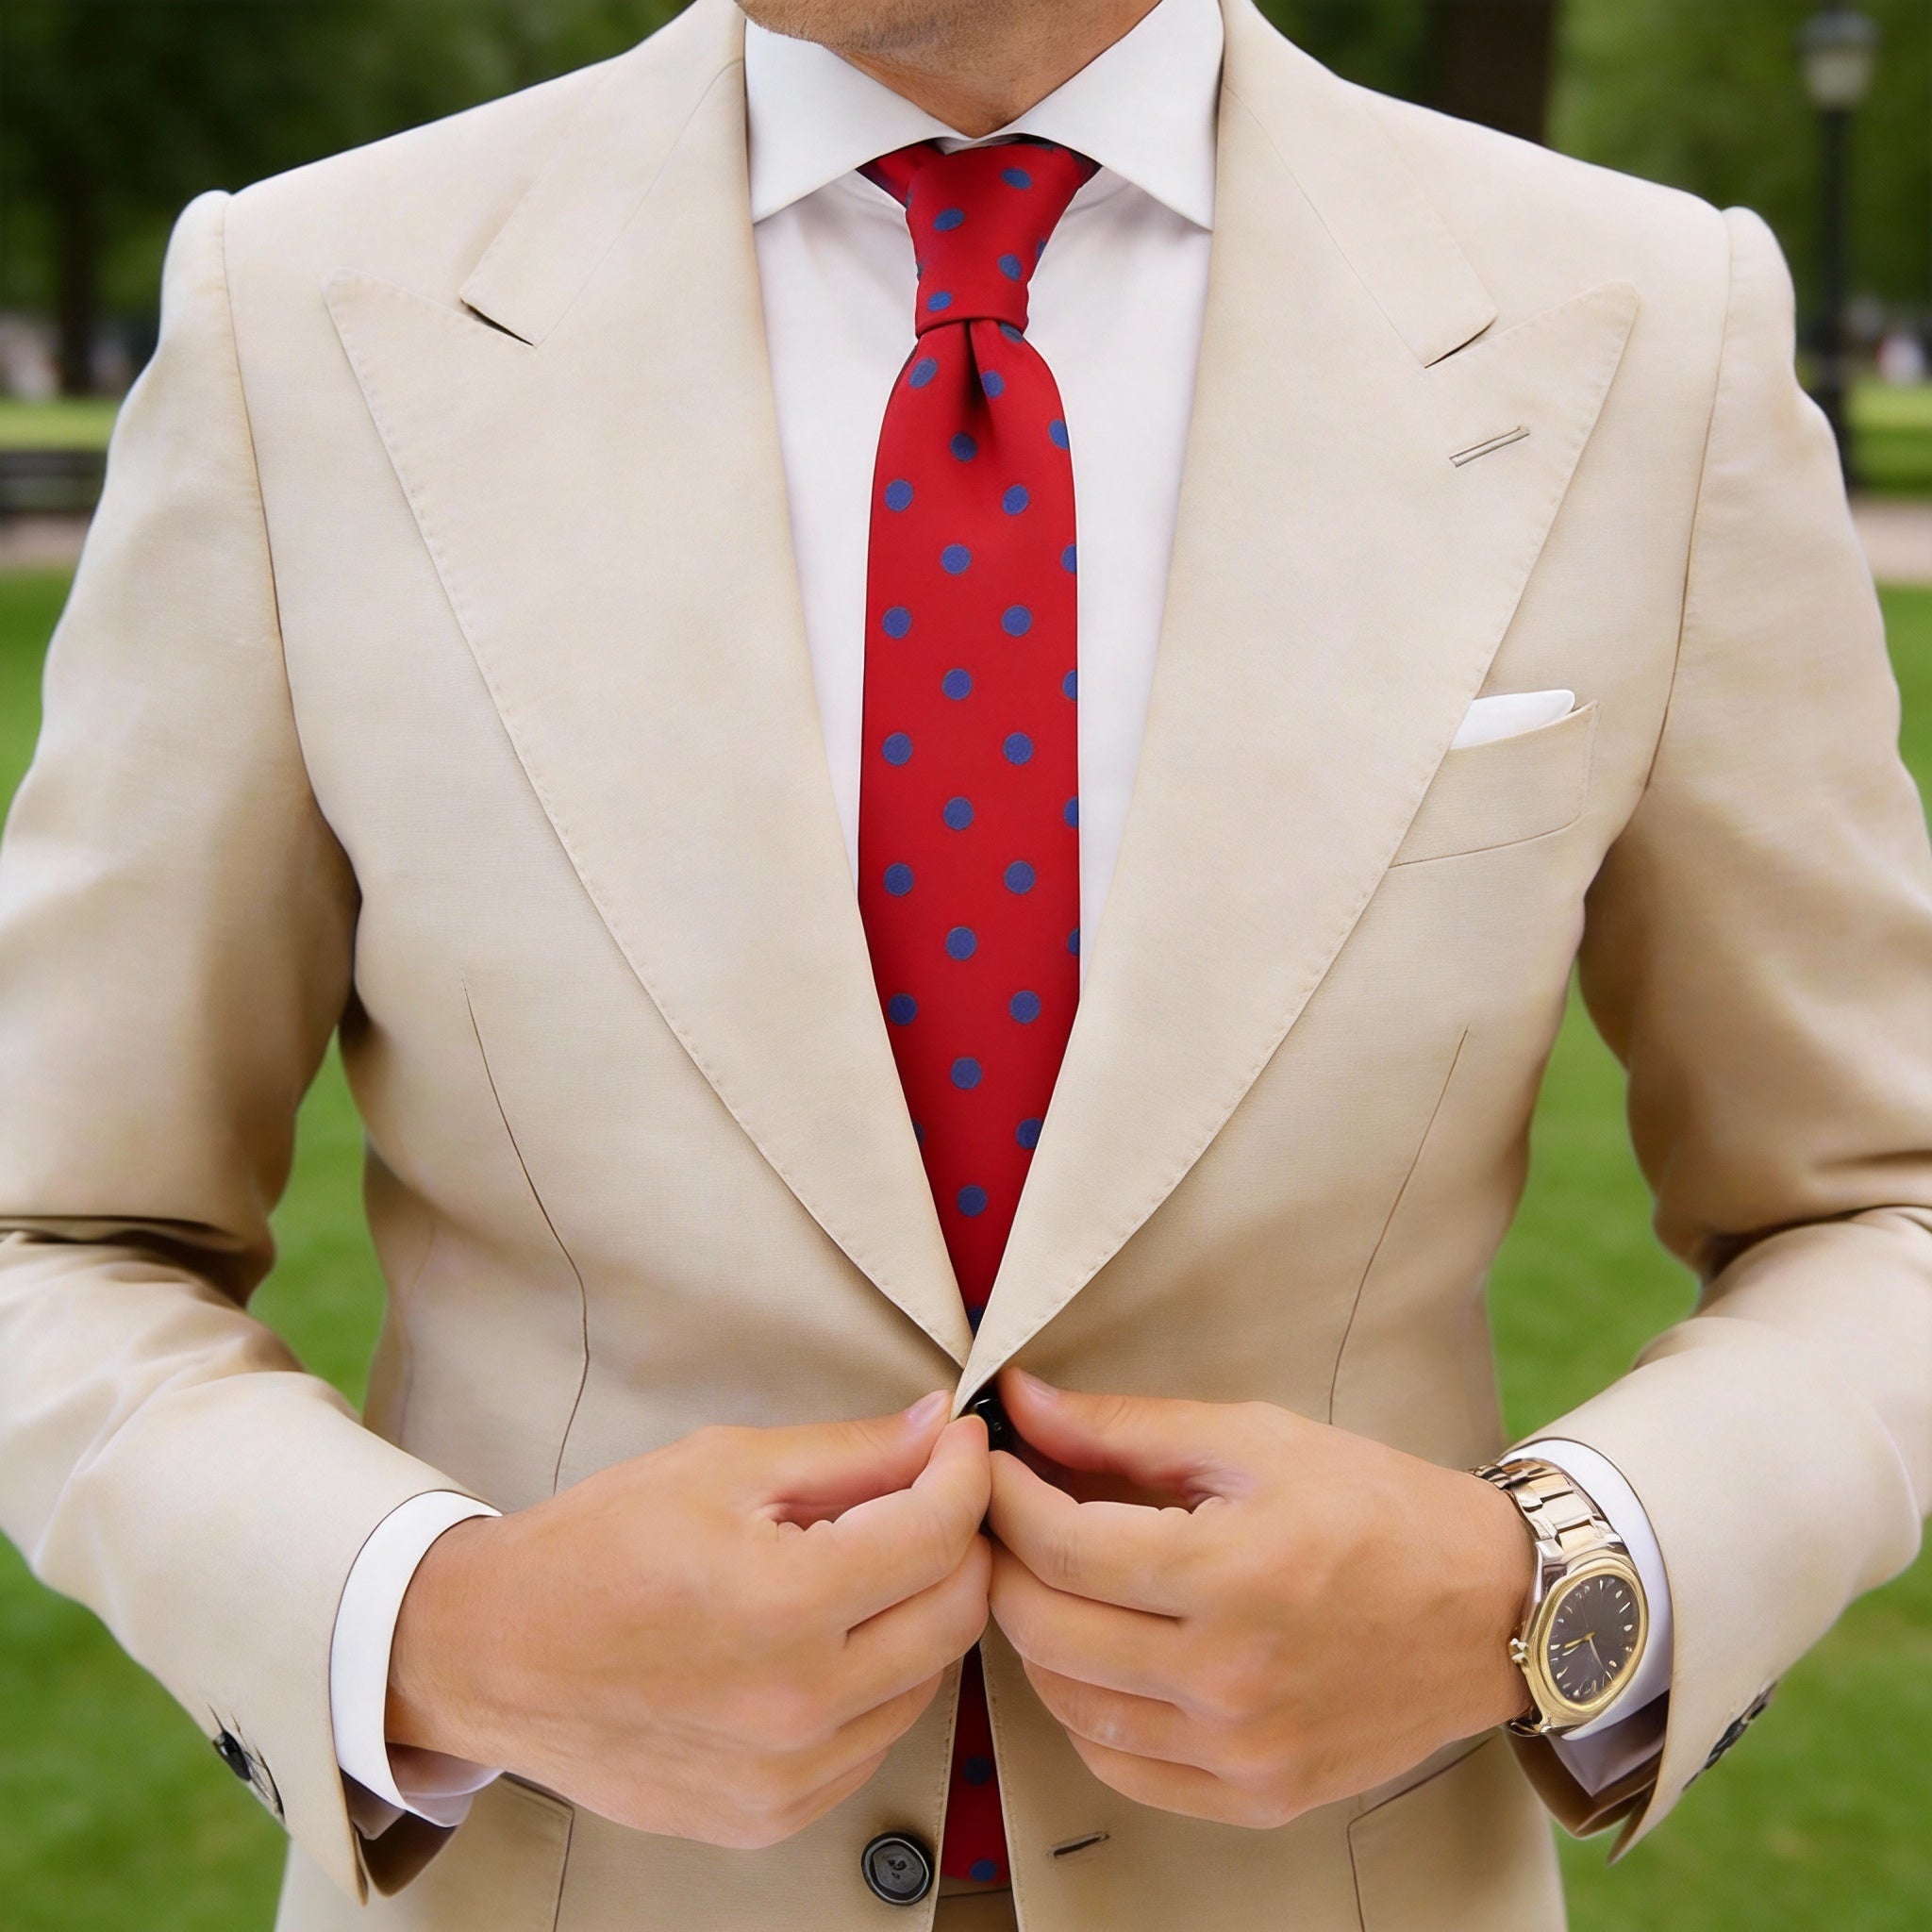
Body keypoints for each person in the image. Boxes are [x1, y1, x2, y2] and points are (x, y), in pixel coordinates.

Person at [1, 0, 1927, 1925]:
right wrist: (439, 1626)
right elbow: (54, 1231)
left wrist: (1548, 1591)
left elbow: (1880, 1203)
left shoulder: (1644, 324)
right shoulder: (306, 308)